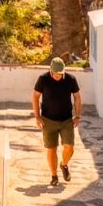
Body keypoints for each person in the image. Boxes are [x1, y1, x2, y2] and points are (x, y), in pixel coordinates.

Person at [33, 58, 81, 187]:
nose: (58, 76)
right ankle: (54, 176)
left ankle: (64, 164)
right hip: (48, 121)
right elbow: (35, 96)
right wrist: (37, 116)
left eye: (60, 73)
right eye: (56, 73)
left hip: (66, 120)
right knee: (51, 149)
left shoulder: (71, 79)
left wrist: (77, 116)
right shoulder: (43, 79)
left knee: (69, 147)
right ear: (51, 70)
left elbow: (77, 97)